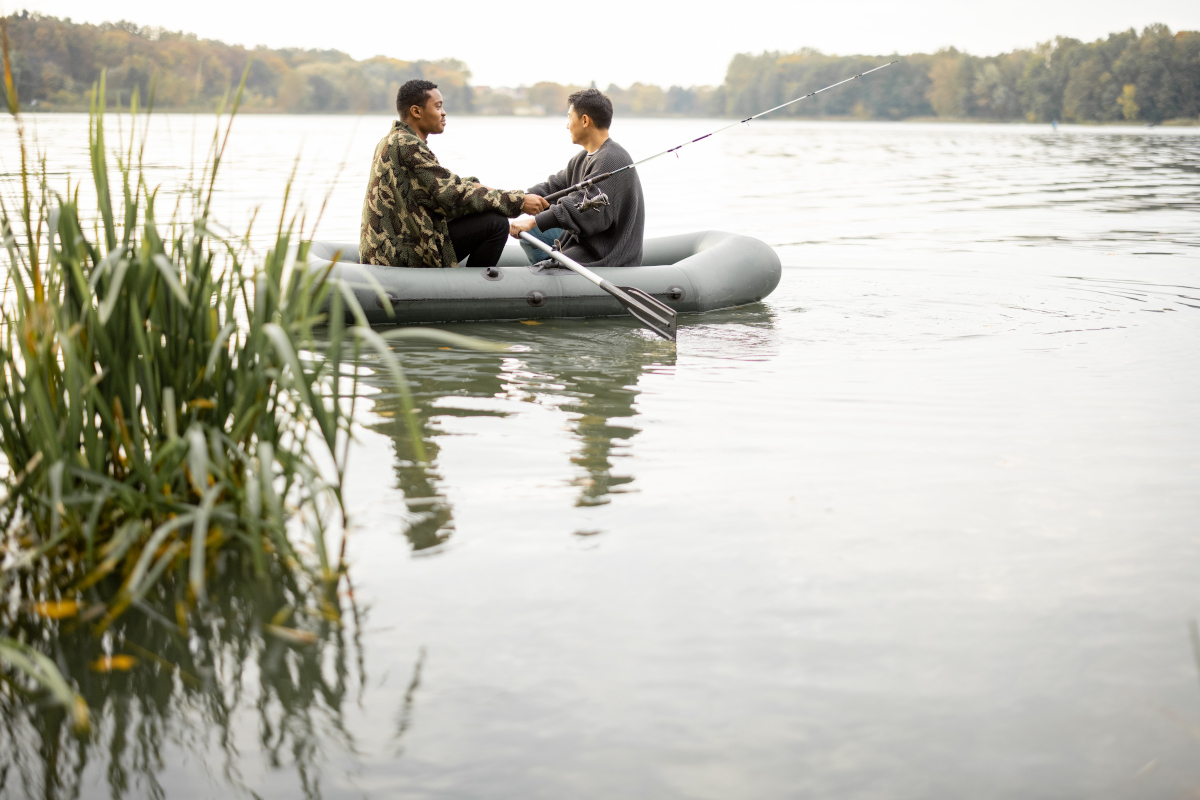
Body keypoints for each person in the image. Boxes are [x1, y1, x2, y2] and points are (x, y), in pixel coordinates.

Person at [361, 79, 548, 269]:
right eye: (438, 107)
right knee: (497, 223)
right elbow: (451, 196)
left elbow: (444, 186)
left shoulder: (393, 140)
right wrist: (519, 201)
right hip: (401, 253)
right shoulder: (406, 144)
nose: (443, 113)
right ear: (416, 111)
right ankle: (475, 291)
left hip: (394, 245)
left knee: (485, 208)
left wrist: (490, 191)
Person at [511, 88, 644, 268]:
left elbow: (583, 208)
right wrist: (508, 203)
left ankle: (549, 277)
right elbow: (552, 188)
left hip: (605, 254)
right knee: (532, 235)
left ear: (584, 120)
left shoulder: (612, 159)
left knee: (534, 228)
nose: (567, 125)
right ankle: (549, 272)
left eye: (569, 117)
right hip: (584, 242)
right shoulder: (583, 158)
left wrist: (533, 221)